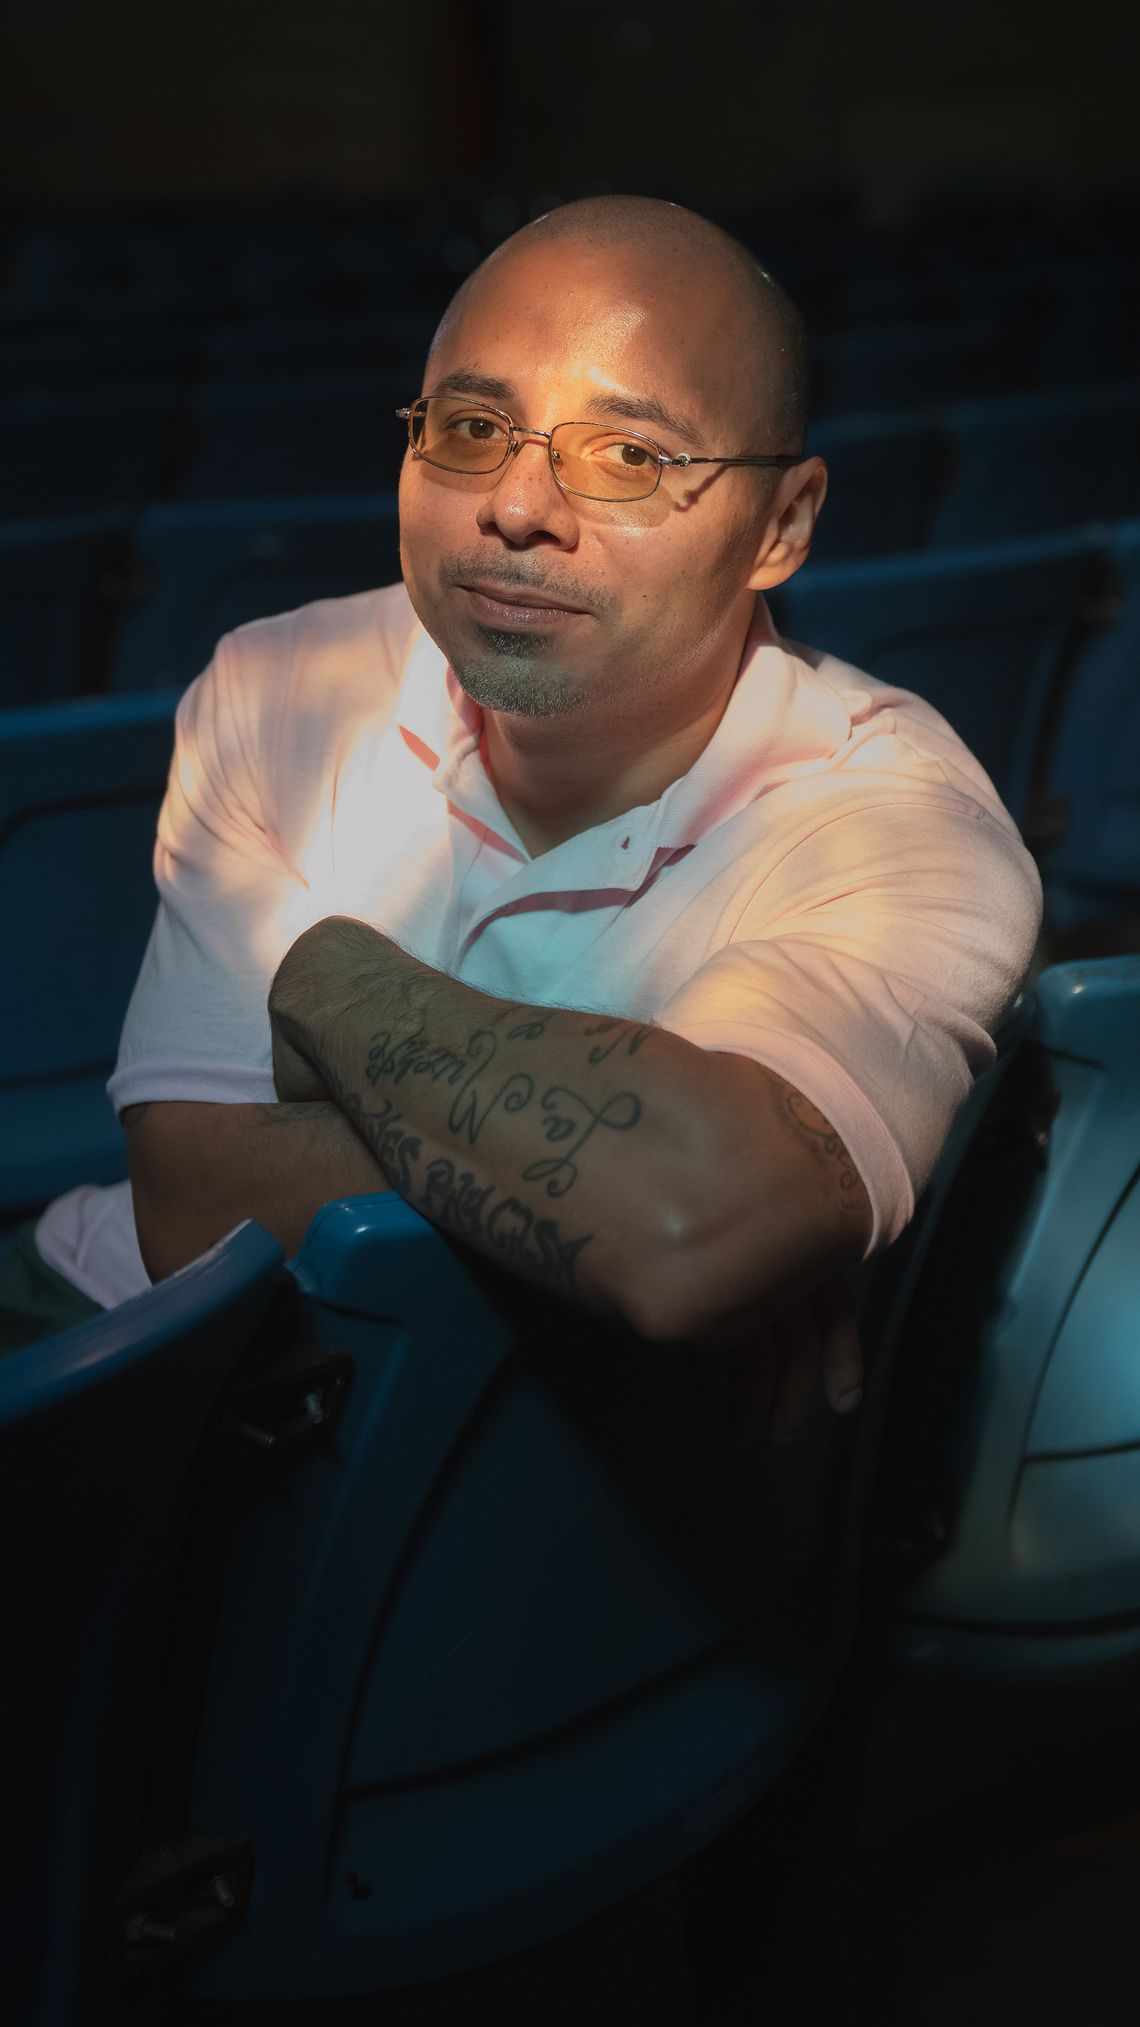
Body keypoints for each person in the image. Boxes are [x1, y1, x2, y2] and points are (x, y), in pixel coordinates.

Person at [24, 195, 1041, 1441]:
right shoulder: (283, 679)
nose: (515, 506)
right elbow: (186, 1200)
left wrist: (325, 979)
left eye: (629, 458)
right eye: (469, 426)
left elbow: (681, 1225)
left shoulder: (900, 826)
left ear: (782, 526)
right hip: (127, 1335)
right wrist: (606, 1218)